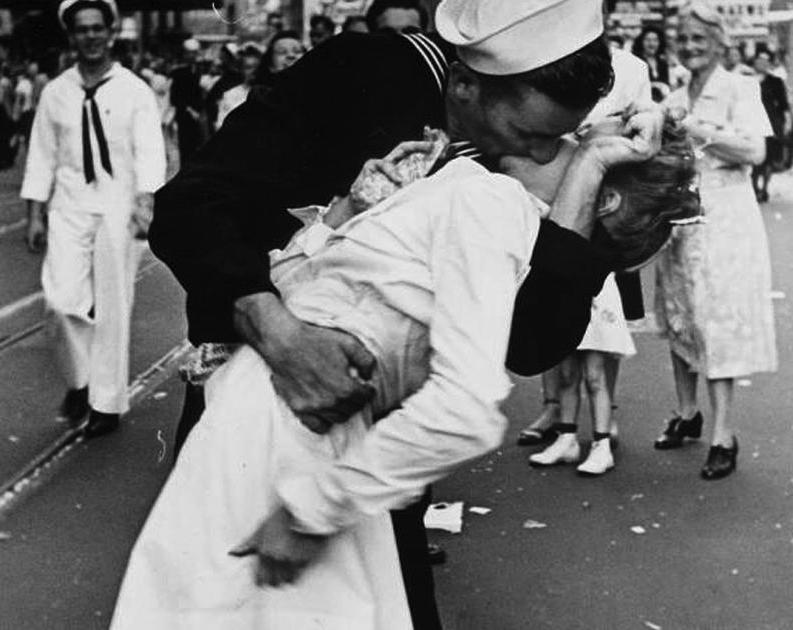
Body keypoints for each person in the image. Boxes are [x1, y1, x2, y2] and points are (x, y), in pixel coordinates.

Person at [111, 4, 670, 624]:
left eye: (560, 138)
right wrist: (282, 334)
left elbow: (532, 341)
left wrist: (589, 176)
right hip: (274, 401)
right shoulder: (368, 73)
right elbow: (193, 205)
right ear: (463, 86)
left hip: (360, 447)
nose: (544, 155)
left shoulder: (515, 171)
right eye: (534, 135)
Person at [20, 0, 165, 437]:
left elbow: (149, 152)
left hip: (119, 208)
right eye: (81, 30)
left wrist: (146, 205)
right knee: (61, 302)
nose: (91, 37)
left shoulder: (134, 90)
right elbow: (42, 154)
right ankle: (80, 381)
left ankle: (106, 402)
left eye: (98, 28)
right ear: (72, 36)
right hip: (68, 206)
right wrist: (34, 214)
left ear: (111, 31)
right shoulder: (55, 92)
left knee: (114, 305)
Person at [654, 2, 777, 480]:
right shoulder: (675, 93)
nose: (689, 47)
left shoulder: (740, 88)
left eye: (698, 39)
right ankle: (688, 414)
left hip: (726, 218)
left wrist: (694, 129)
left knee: (718, 320)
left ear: (721, 42)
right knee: (681, 315)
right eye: (683, 39)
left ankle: (724, 434)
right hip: (680, 218)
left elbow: (754, 149)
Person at [517, 42, 653, 447]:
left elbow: (642, 123)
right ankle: (555, 406)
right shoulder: (544, 53)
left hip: (603, 201)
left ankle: (603, 418)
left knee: (601, 327)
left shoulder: (631, 68)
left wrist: (638, 120)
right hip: (551, 189)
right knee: (547, 296)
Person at [752, 50, 791, 202]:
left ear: (768, 64)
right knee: (754, 158)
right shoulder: (746, 81)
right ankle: (755, 186)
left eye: (765, 61)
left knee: (768, 158)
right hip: (751, 123)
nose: (761, 64)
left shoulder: (775, 81)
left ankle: (765, 188)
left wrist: (785, 124)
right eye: (759, 61)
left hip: (771, 124)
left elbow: (783, 105)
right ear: (754, 63)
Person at [170, 38, 205, 162]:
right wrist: (189, 110)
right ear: (185, 54)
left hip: (200, 117)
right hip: (185, 117)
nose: (193, 55)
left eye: (195, 52)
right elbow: (175, 98)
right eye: (190, 52)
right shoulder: (178, 73)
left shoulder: (202, 70)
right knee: (187, 151)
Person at [216, 44, 261, 130]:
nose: (254, 71)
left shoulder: (270, 93)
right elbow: (221, 126)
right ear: (241, 70)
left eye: (257, 67)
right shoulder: (230, 95)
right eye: (249, 67)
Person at [631, 26, 670, 102]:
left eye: (655, 40)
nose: (652, 44)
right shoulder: (636, 62)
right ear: (641, 42)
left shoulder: (663, 63)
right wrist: (654, 85)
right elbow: (633, 86)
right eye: (648, 40)